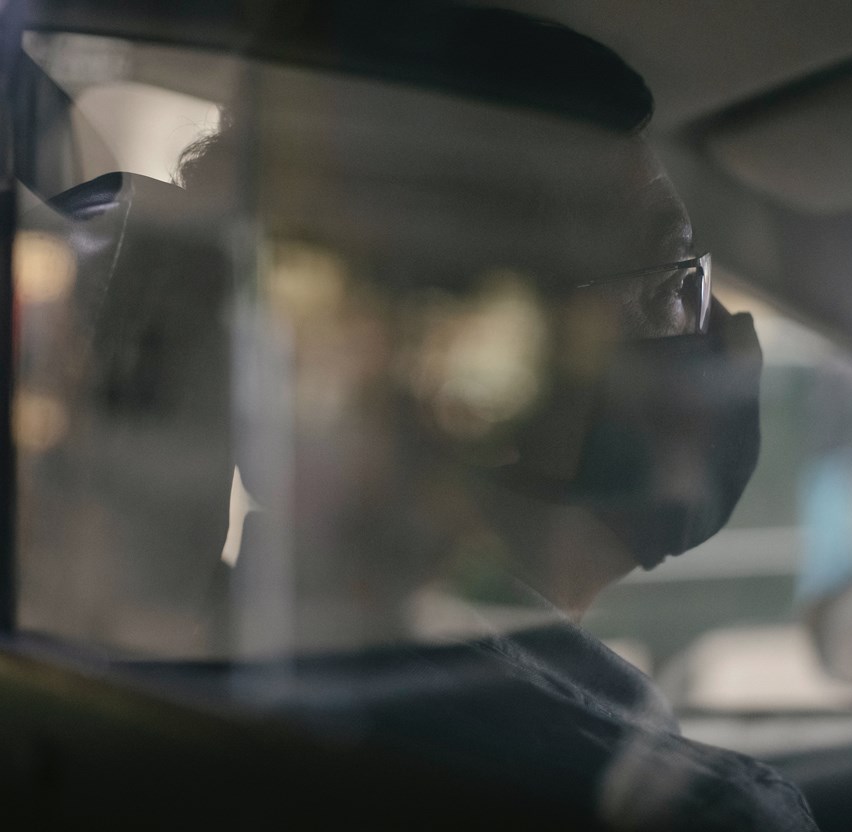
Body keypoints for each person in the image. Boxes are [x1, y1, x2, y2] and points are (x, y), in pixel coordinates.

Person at [137, 5, 814, 828]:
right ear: (482, 373)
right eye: (674, 282)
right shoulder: (688, 815)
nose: (722, 335)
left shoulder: (195, 681)